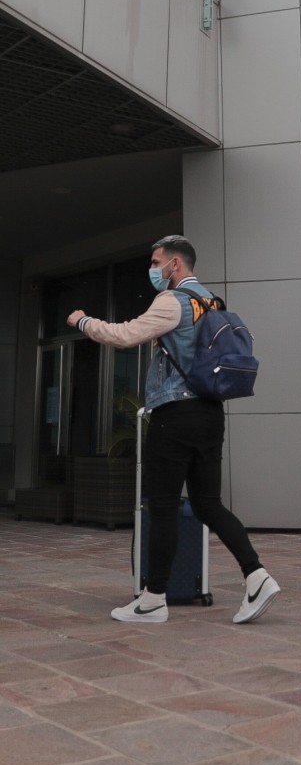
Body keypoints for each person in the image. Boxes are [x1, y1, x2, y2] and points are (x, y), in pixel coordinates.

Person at [67, 235, 280, 625]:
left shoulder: (172, 301)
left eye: (156, 262)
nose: (153, 269)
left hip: (175, 415)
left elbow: (125, 335)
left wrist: (83, 321)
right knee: (208, 505)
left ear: (175, 264)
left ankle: (153, 600)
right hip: (210, 413)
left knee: (162, 506)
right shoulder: (213, 302)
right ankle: (257, 576)